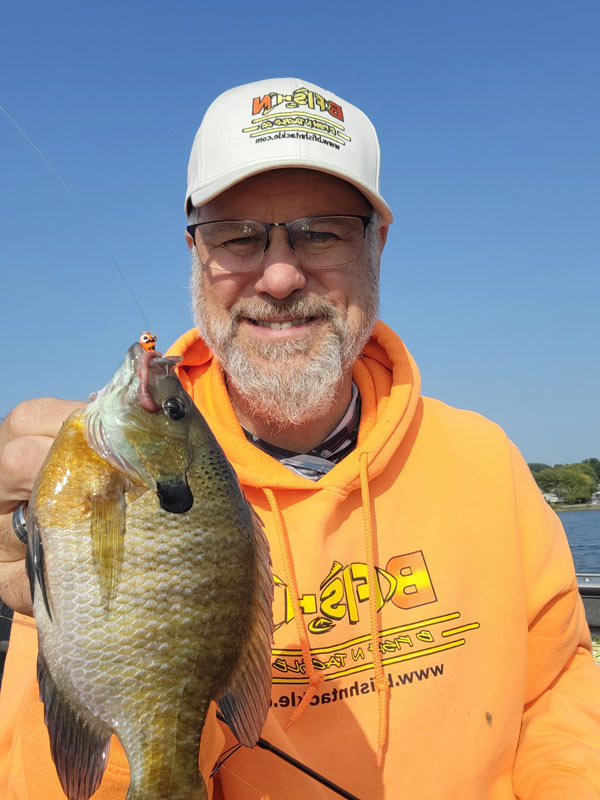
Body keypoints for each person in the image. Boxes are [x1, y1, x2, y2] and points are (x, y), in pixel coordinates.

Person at [0, 77, 599, 800]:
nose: (280, 275)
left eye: (321, 231)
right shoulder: (100, 495)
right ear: (196, 252)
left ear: (376, 245)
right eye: (237, 236)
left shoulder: (486, 462)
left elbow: (560, 689)